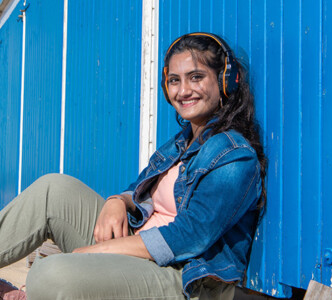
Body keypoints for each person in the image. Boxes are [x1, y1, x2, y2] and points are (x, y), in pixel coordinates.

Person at [0, 32, 267, 300]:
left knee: (48, 274)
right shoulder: (180, 144)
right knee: (53, 189)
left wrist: (97, 251)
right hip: (135, 253)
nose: (183, 90)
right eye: (175, 80)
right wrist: (118, 201)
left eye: (196, 77)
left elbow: (191, 235)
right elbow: (139, 190)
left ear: (225, 81)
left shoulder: (234, 155)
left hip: (180, 277)